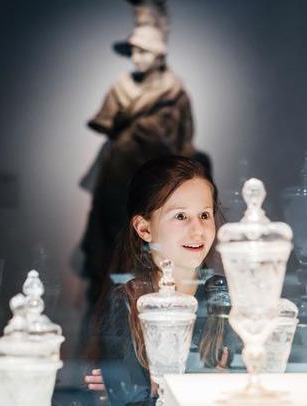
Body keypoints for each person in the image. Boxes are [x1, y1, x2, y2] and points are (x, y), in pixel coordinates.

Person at [85, 156, 237, 405]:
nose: (198, 230)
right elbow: (129, 398)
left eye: (205, 215)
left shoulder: (227, 296)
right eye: (180, 216)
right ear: (144, 228)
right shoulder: (128, 302)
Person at [79, 24, 199, 325]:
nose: (136, 57)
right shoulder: (122, 86)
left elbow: (185, 134)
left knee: (158, 245)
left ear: (159, 55)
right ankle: (111, 318)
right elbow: (106, 122)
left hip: (157, 176)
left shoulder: (175, 90)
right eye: (133, 50)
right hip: (119, 171)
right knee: (112, 243)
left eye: (142, 50)